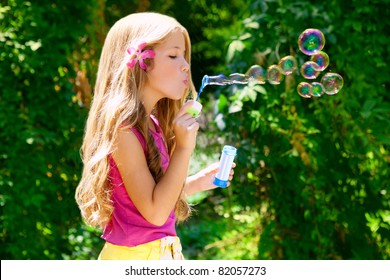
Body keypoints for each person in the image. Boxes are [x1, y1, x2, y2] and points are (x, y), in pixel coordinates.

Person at [75, 12, 235, 260]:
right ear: (140, 61)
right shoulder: (123, 129)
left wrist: (197, 183)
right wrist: (183, 149)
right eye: (173, 55)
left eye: (184, 55)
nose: (185, 64)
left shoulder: (151, 125)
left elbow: (149, 197)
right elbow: (155, 213)